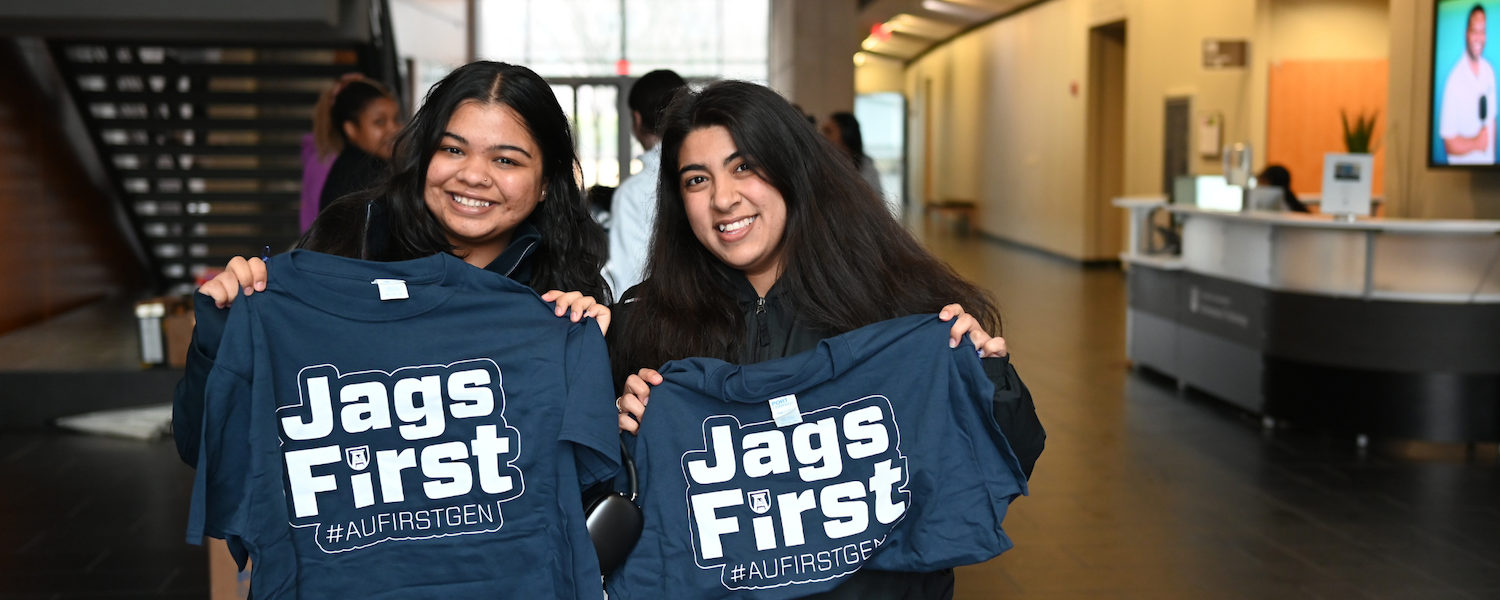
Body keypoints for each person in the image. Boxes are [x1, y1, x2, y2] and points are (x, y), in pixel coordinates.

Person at [607, 81, 1044, 600]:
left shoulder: (898, 304)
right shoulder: (648, 324)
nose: (723, 199)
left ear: (792, 169)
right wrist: (620, 427)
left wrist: (987, 381)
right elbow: (613, 506)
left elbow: (1000, 463)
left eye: (744, 166)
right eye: (697, 180)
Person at [174, 61, 613, 467]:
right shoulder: (352, 239)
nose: (473, 175)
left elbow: (581, 471)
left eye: (505, 160)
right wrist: (224, 337)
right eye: (453, 150)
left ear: (545, 182)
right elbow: (207, 449)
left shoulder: (564, 297)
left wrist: (591, 362)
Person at [603, 69, 687, 300]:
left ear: (637, 119)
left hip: (660, 312)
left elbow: (628, 281)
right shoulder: (704, 175)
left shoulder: (633, 193)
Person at [316, 78, 402, 216]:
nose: (394, 129)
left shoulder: (347, 167)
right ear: (351, 129)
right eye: (380, 122)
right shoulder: (368, 173)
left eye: (396, 119)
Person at [1440, 4, 1497, 164]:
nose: (1479, 37)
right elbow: (1449, 143)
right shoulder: (1454, 81)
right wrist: (1477, 144)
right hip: (1460, 176)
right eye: (1474, 31)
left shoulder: (1489, 71)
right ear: (1467, 34)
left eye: (1482, 31)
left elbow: (1492, 121)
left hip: (1491, 174)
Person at [821, 112, 884, 198]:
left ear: (846, 134)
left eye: (828, 132)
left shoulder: (866, 169)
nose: (822, 137)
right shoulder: (823, 165)